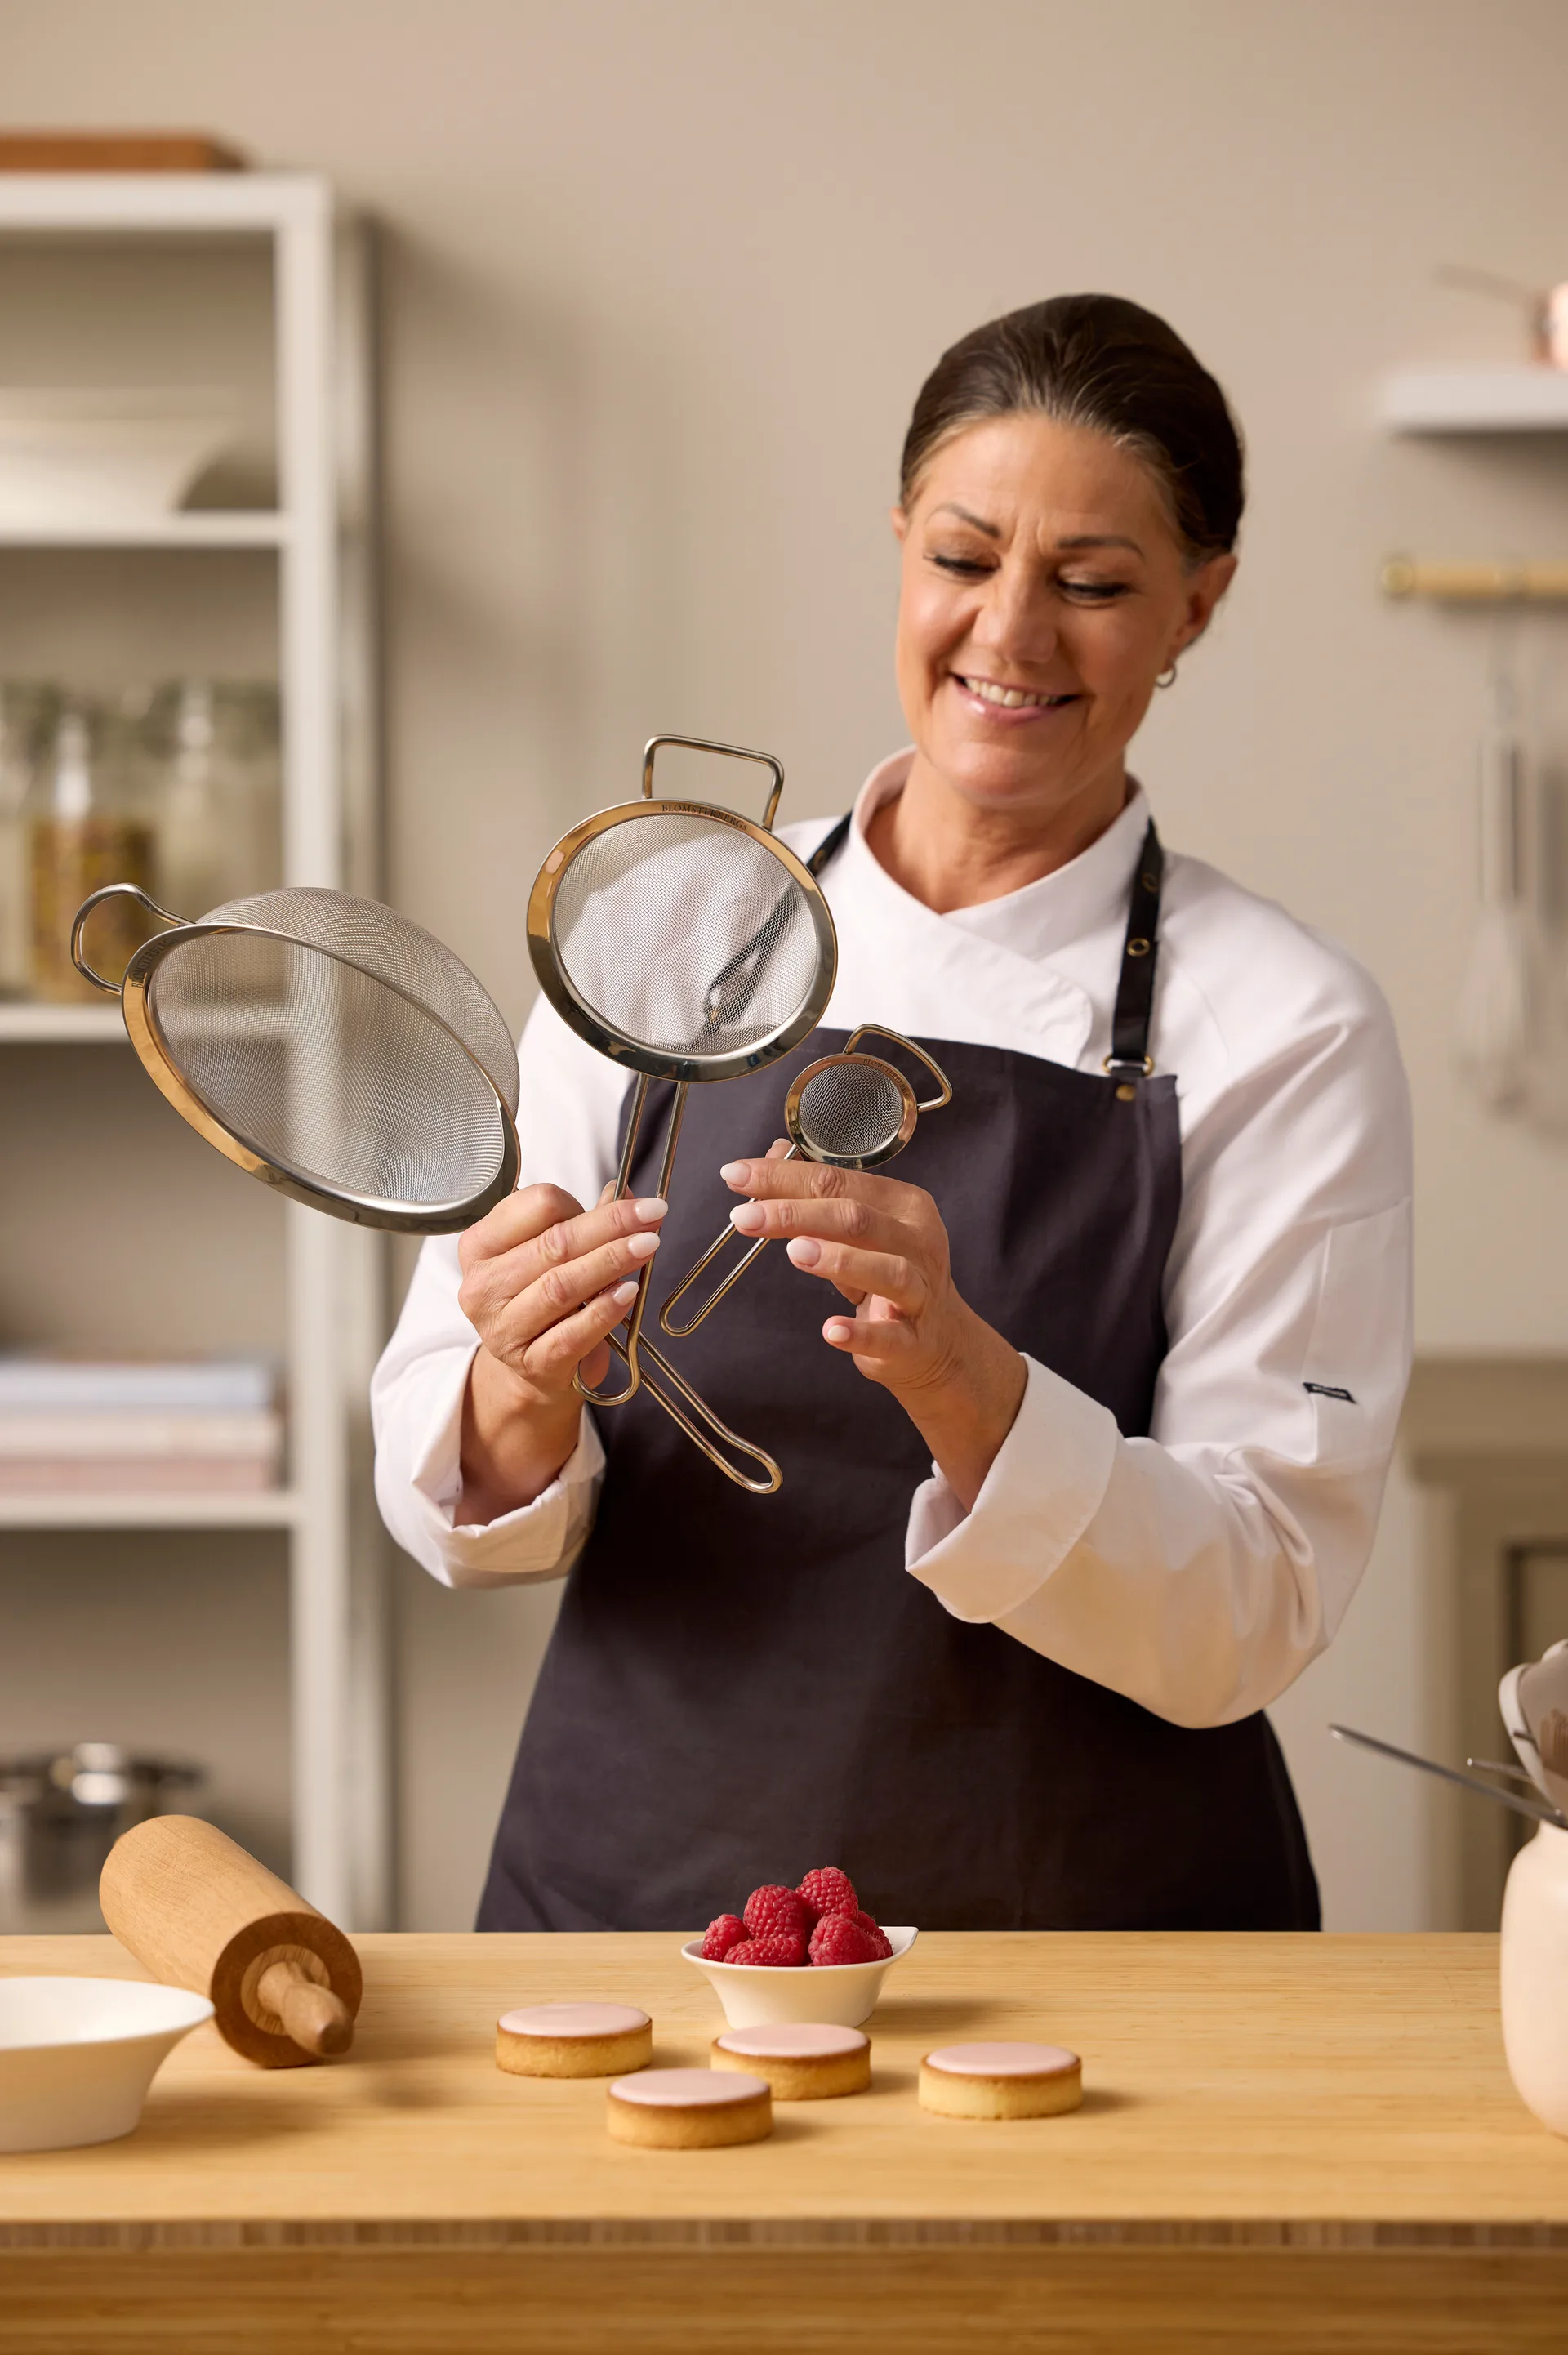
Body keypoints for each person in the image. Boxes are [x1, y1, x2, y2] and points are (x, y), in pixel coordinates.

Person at [372, 293, 1412, 1934]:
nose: (1011, 634)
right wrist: (515, 1374)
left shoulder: (1286, 1023)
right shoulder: (674, 931)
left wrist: (972, 1385)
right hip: (641, 1909)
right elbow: (463, 1499)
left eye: (1092, 584)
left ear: (1197, 605)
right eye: (963, 557)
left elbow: (1255, 1605)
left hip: (1092, 1941)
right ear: (900, 546)